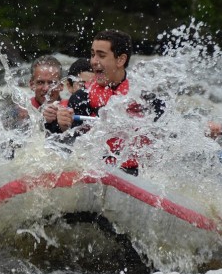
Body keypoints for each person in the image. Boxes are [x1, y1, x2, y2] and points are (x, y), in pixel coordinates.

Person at [45, 30, 165, 175]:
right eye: (92, 54)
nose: (94, 61)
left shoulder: (145, 98)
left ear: (120, 60)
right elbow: (64, 146)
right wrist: (60, 125)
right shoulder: (81, 98)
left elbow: (165, 138)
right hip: (95, 170)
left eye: (101, 55)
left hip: (136, 173)